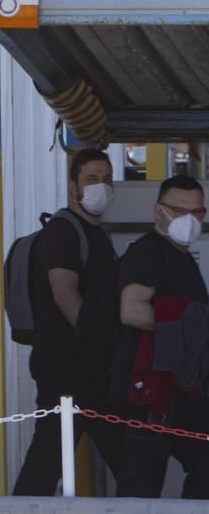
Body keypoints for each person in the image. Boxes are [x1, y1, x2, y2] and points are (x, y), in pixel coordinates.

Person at [13, 149, 124, 495]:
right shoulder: (63, 231)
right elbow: (64, 293)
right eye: (91, 179)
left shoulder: (98, 234)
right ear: (73, 186)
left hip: (91, 369)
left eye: (106, 179)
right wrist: (99, 344)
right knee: (48, 460)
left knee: (130, 459)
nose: (100, 186)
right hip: (67, 368)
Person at [114, 175, 209, 499]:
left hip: (181, 388)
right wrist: (191, 329)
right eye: (179, 210)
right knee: (142, 481)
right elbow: (132, 311)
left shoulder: (180, 256)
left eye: (197, 212)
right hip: (150, 391)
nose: (190, 220)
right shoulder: (147, 253)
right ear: (158, 211)